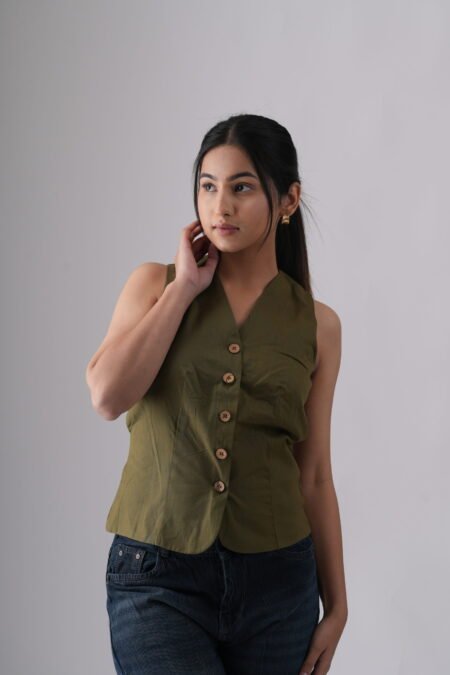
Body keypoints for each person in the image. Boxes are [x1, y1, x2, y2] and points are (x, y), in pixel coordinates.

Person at [86, 113, 348, 674]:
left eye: (241, 188)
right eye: (208, 186)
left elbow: (315, 475)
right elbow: (107, 396)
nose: (220, 206)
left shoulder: (319, 326)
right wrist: (183, 289)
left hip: (280, 585)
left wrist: (338, 604)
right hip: (157, 577)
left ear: (288, 199)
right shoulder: (153, 285)